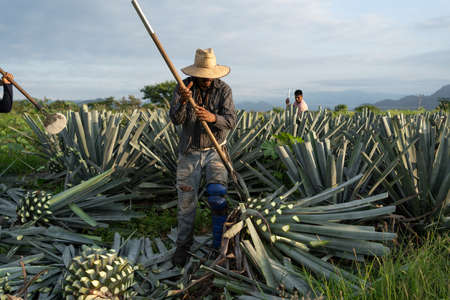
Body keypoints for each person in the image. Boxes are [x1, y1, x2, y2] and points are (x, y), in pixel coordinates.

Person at [169, 48, 236, 267]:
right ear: (196, 73)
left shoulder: (224, 90)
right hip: (189, 152)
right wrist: (183, 101)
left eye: (210, 76)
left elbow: (231, 120)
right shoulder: (183, 88)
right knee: (186, 202)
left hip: (215, 150)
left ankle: (218, 245)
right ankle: (183, 246)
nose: (207, 80)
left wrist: (212, 117)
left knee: (217, 196)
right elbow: (176, 119)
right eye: (203, 76)